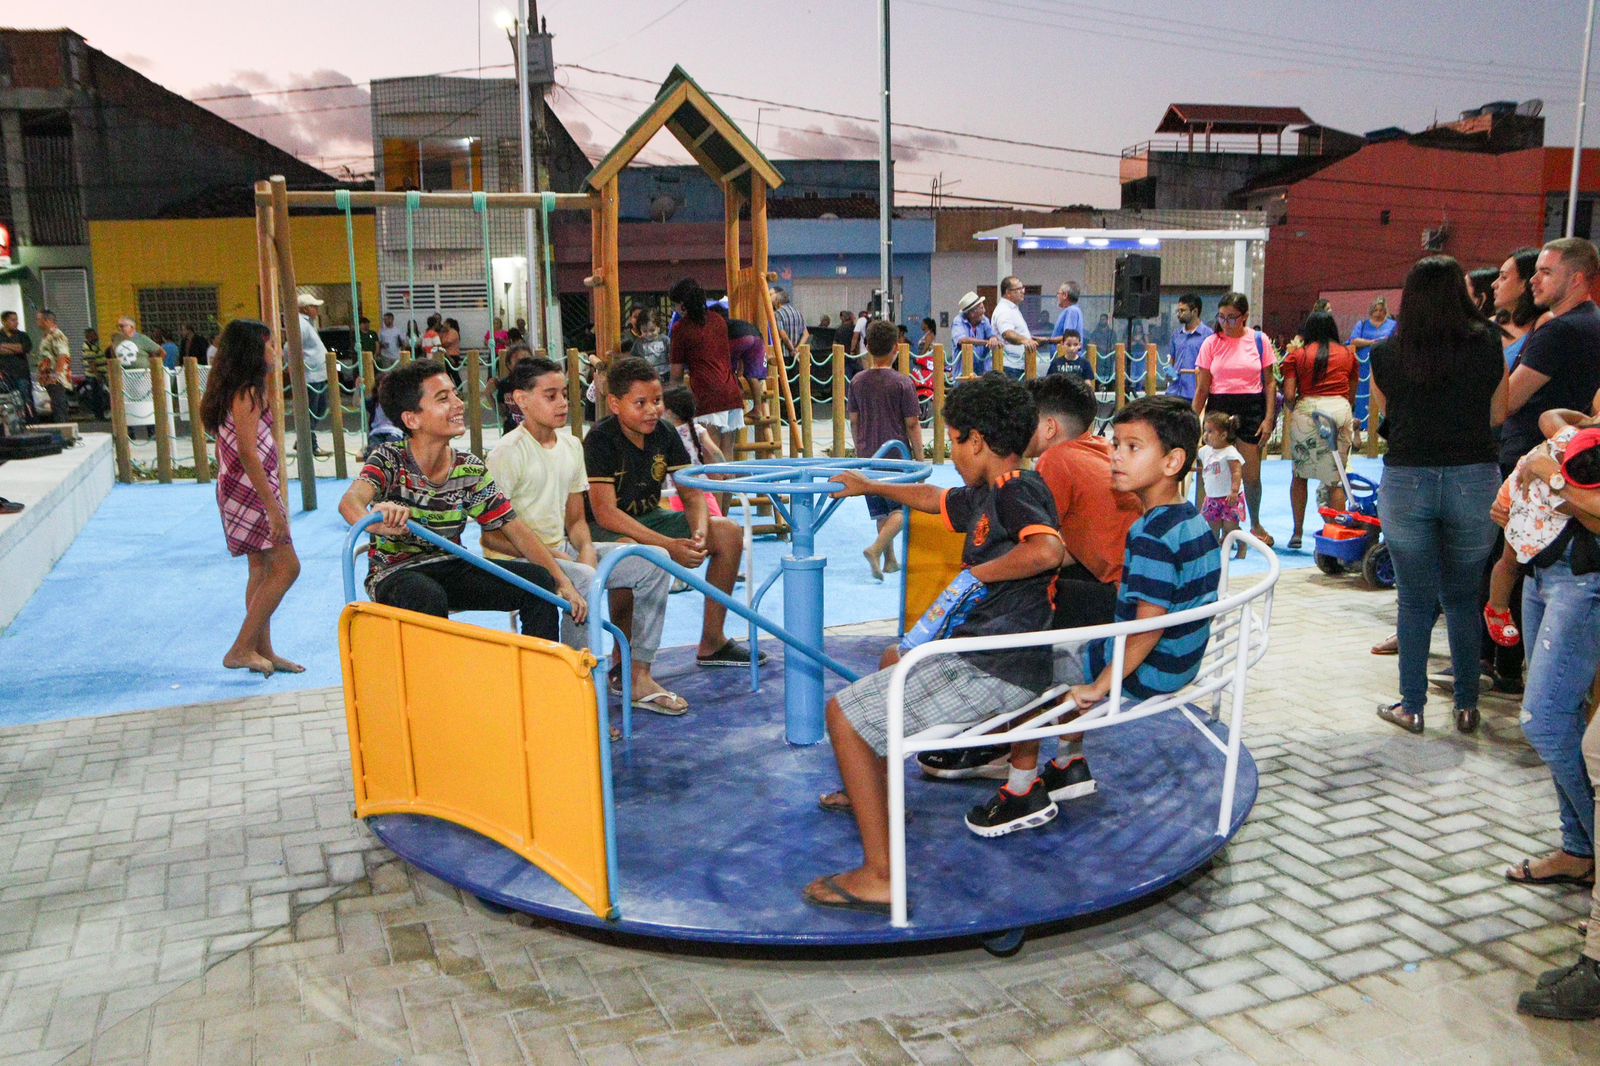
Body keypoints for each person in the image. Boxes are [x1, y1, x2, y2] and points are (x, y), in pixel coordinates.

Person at [805, 376, 1064, 906]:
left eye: (954, 442)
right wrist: (871, 486)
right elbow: (934, 498)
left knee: (843, 717)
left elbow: (1047, 551)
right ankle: (878, 795)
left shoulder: (1017, 490)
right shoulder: (992, 490)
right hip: (987, 651)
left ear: (977, 441)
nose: (952, 454)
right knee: (891, 657)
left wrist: (979, 575)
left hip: (995, 664)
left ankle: (882, 876)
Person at [966, 395, 1221, 837]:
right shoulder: (1189, 520)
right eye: (1116, 444)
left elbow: (1148, 627)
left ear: (1172, 462)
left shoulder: (1152, 535)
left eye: (1132, 448)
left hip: (1152, 667)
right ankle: (1069, 764)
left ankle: (1021, 792)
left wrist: (1099, 687)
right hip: (1182, 658)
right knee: (1069, 640)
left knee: (1028, 670)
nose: (1116, 457)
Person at [912, 373, 1142, 799]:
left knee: (1015, 633)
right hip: (1123, 593)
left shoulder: (1053, 463)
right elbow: (1071, 544)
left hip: (1113, 604)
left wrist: (978, 574)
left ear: (1048, 428)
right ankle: (1068, 760)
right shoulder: (1094, 449)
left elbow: (1038, 543)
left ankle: (1005, 754)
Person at [486, 358, 684, 715]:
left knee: (655, 560)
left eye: (564, 394)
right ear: (521, 400)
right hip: (514, 559)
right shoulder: (506, 453)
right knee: (582, 579)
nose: (563, 403)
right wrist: (562, 560)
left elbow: (576, 520)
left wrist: (586, 549)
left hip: (561, 550)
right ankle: (578, 698)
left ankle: (638, 674)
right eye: (551, 396)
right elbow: (491, 538)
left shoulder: (571, 446)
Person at [337, 358, 580, 641]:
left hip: (451, 564)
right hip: (396, 573)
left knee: (538, 582)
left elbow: (515, 528)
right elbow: (350, 503)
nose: (458, 403)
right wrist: (375, 521)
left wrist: (561, 581)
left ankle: (538, 664)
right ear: (412, 419)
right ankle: (436, 668)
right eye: (443, 398)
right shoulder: (390, 459)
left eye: (455, 394)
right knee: (426, 596)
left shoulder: (469, 468)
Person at [1369, 255, 1506, 737]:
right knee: (1464, 597)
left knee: (1414, 600)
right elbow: (1499, 413)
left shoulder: (1386, 353)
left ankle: (1412, 706)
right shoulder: (1488, 341)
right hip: (1474, 477)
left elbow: (1387, 416)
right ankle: (1467, 706)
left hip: (1407, 479)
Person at [586, 356, 762, 668]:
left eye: (657, 401)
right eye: (640, 403)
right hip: (606, 529)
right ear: (614, 404)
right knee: (629, 552)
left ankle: (713, 641)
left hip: (651, 519)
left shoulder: (665, 433)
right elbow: (606, 514)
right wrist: (668, 545)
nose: (652, 410)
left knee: (728, 533)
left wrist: (699, 533)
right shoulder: (600, 439)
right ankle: (623, 658)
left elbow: (691, 494)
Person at [1513, 453, 1600, 1021]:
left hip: (1581, 573)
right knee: (1572, 731)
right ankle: (1580, 851)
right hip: (1546, 566)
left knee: (1546, 721)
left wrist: (1552, 476)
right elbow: (1556, 420)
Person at [199, 319, 302, 678]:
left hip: (238, 487)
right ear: (253, 352)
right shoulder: (249, 393)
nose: (275, 351)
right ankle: (241, 648)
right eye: (270, 345)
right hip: (252, 491)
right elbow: (247, 451)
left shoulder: (235, 390)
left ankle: (262, 649)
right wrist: (272, 507)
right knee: (288, 567)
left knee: (260, 569)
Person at [1485, 410, 1594, 646]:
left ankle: (1497, 606)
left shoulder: (1570, 433)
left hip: (1532, 498)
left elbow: (1548, 417)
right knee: (1509, 560)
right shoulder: (1571, 435)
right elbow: (1548, 417)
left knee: (1510, 561)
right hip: (1528, 498)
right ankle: (1497, 606)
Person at [1191, 292, 1278, 546]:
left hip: (1251, 407)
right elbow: (1202, 388)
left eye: (1232, 318)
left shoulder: (1260, 341)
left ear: (1245, 317)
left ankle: (1255, 523)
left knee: (1251, 474)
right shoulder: (1210, 344)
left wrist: (1269, 418)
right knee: (1211, 470)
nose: (1226, 323)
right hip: (1218, 407)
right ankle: (1204, 524)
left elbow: (1270, 383)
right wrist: (1190, 420)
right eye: (1221, 317)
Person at [848, 320, 924, 580]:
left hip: (869, 457)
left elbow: (854, 420)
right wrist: (920, 459)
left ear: (867, 347)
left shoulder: (857, 381)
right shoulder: (903, 383)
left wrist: (860, 450)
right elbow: (912, 423)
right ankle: (876, 549)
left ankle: (890, 560)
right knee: (903, 510)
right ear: (896, 348)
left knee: (881, 511)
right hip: (896, 457)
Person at [1281, 309, 1359, 548]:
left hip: (1308, 412)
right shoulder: (1349, 355)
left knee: (1300, 476)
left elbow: (1289, 395)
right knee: (1336, 479)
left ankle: (1297, 533)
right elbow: (1351, 395)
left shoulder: (1297, 356)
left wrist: (1297, 407)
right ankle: (1337, 534)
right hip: (1339, 410)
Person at [667, 278, 745, 461]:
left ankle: (716, 483)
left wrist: (670, 400)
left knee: (711, 459)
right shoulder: (718, 320)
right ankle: (730, 482)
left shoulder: (681, 329)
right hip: (732, 392)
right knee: (727, 456)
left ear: (682, 306)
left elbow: (676, 376)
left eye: (674, 305)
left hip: (708, 396)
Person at [1197, 412, 1247, 556]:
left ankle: (1242, 544)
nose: (1205, 435)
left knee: (1230, 527)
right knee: (1213, 526)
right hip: (1213, 497)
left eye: (1210, 431)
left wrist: (1234, 491)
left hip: (1229, 497)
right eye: (1205, 431)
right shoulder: (1205, 451)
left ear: (1223, 435)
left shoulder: (1230, 453)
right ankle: (1213, 552)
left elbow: (1236, 472)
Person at [296, 293, 332, 457]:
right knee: (312, 410)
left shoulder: (308, 323)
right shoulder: (301, 324)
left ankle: (303, 439)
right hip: (310, 375)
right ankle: (310, 443)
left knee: (320, 408)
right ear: (305, 308)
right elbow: (291, 347)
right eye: (314, 307)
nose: (317, 310)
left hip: (318, 374)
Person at [1166, 293, 1212, 403]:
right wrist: (1170, 374)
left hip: (1195, 394)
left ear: (1194, 311)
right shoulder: (1176, 335)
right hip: (1174, 393)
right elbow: (1172, 361)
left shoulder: (1209, 336)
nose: (1179, 314)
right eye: (1178, 311)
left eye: (1182, 310)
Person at [992, 275, 1039, 380]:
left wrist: (1031, 339)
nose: (1023, 291)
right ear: (1008, 292)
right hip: (1010, 366)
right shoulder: (1004, 310)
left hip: (1018, 365)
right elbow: (1007, 333)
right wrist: (1025, 340)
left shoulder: (1013, 308)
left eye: (1023, 288)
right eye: (1019, 289)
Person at [949, 291, 1001, 377]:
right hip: (963, 374)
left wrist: (993, 339)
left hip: (983, 373)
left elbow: (992, 335)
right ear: (972, 313)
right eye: (981, 308)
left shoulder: (984, 320)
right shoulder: (958, 321)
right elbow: (962, 340)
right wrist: (986, 342)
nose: (984, 311)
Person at [34, 309, 72, 422]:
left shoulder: (56, 335)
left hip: (56, 379)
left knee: (59, 405)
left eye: (38, 319)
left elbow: (62, 355)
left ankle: (63, 429)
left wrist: (56, 374)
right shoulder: (47, 336)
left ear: (47, 320)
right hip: (48, 378)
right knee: (55, 405)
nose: (37, 322)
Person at [0, 310, 36, 421]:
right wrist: (16, 348)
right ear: (4, 321)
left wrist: (4, 346)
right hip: (4, 376)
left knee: (25, 399)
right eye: (13, 320)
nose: (16, 322)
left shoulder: (23, 335)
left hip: (21, 375)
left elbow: (24, 348)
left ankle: (29, 422)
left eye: (17, 320)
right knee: (8, 401)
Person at [493, 342, 534, 433]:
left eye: (527, 361)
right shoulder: (505, 384)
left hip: (533, 433)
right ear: (509, 364)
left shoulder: (537, 383)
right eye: (518, 362)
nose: (523, 365)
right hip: (511, 432)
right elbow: (502, 413)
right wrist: (488, 395)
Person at [1047, 281, 1085, 360]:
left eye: (1058, 293)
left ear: (1065, 295)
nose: (1057, 296)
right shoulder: (1072, 310)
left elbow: (1068, 337)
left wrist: (1046, 340)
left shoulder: (1072, 310)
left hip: (1068, 361)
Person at [80, 327, 110, 420]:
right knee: (97, 396)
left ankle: (100, 415)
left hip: (97, 375)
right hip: (94, 376)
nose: (97, 336)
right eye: (94, 335)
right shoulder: (88, 347)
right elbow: (91, 363)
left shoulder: (93, 346)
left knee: (99, 395)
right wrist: (98, 376)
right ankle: (99, 416)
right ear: (89, 336)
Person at [633, 311, 670, 381]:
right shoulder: (639, 344)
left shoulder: (665, 340)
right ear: (640, 330)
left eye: (652, 330)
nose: (649, 334)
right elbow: (635, 361)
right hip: (648, 378)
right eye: (645, 331)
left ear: (658, 327)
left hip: (666, 375)